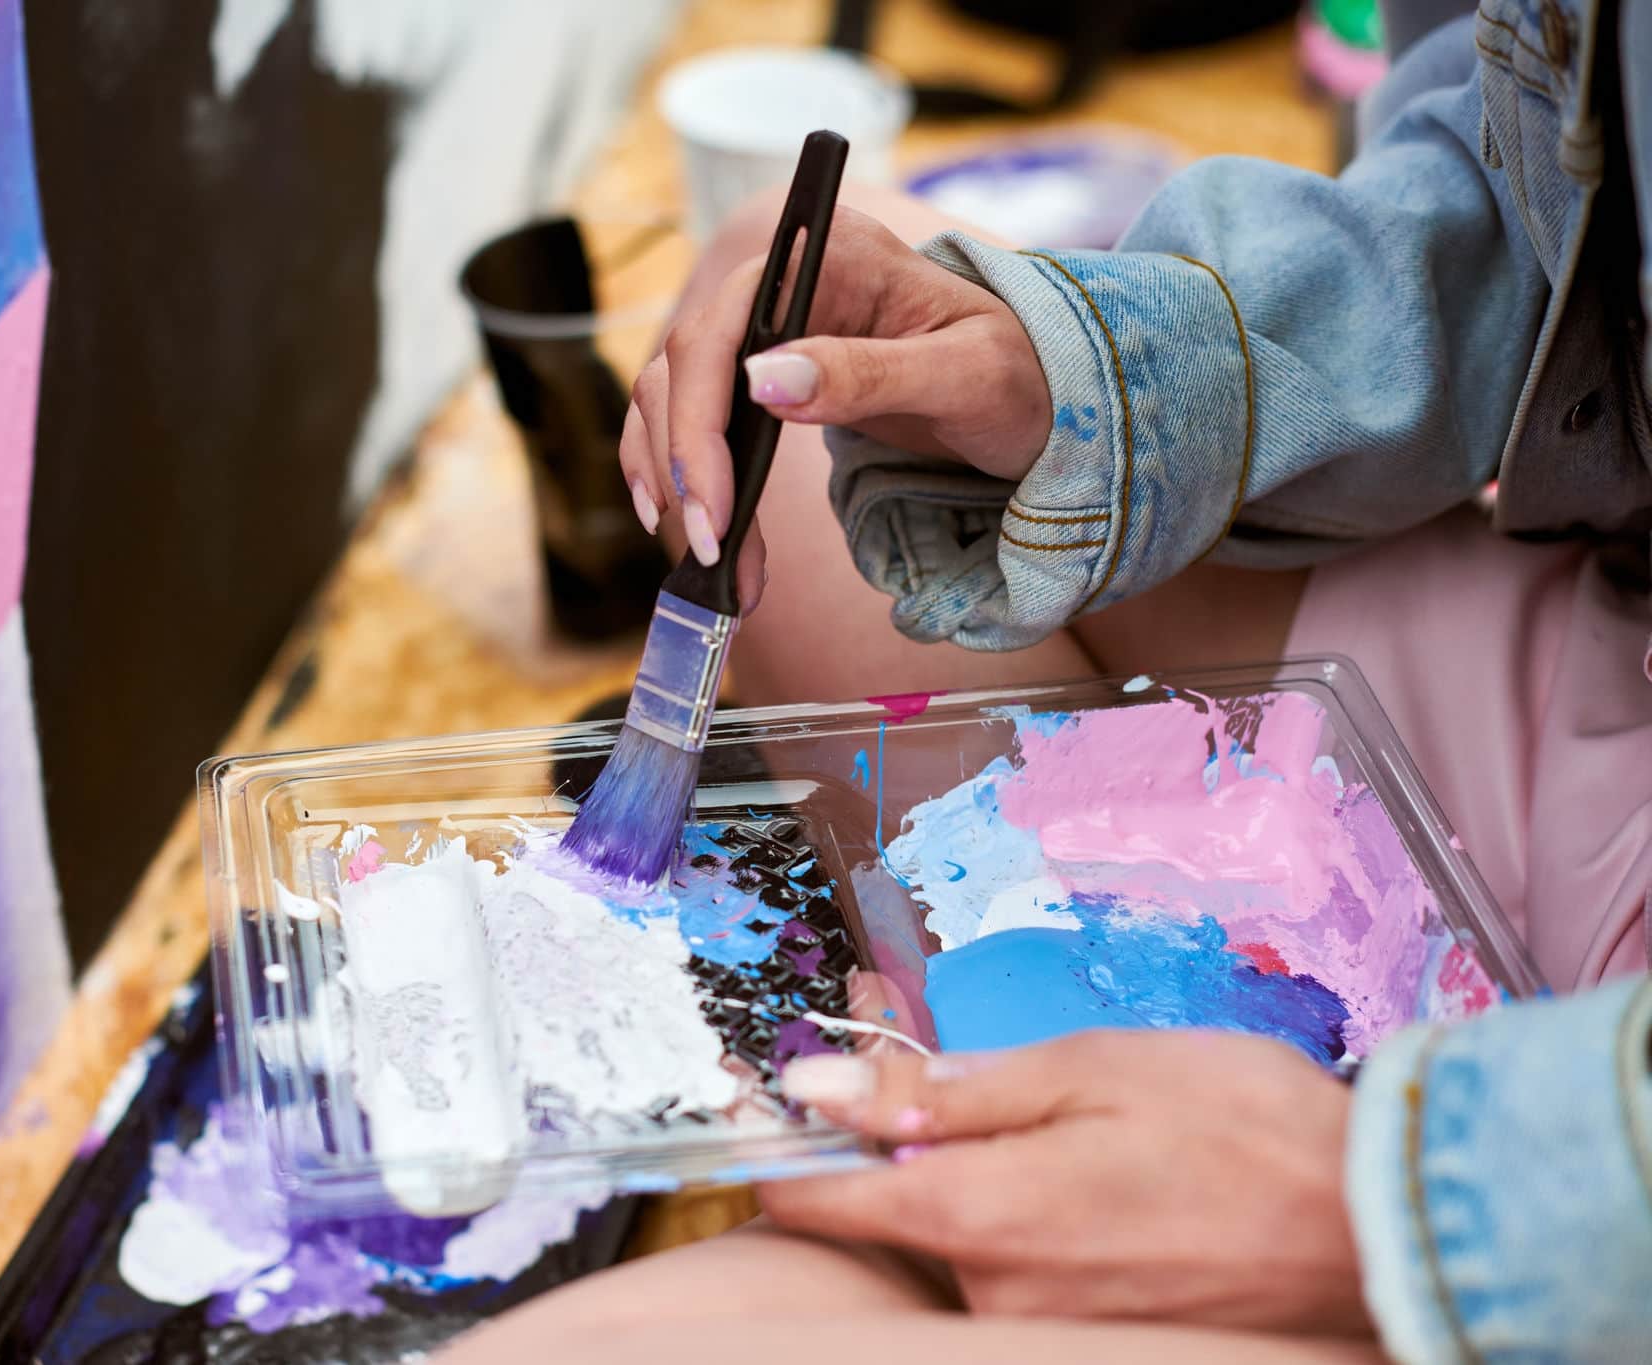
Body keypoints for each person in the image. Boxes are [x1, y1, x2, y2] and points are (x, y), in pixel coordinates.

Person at [435, 1, 1652, 1361]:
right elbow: (1511, 205)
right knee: (788, 321)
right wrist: (1081, 372)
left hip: (1579, 1223)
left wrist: (1407, 1209)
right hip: (1604, 703)